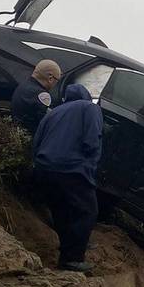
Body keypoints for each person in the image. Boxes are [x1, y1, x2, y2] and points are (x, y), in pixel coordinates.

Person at [32, 83, 102, 272]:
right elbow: (92, 140)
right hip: (71, 168)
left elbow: (37, 141)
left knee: (62, 210)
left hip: (44, 167)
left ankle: (69, 247)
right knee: (87, 211)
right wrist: (90, 166)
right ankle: (72, 258)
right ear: (86, 96)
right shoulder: (90, 108)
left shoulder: (53, 112)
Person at [11, 59, 61, 134]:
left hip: (17, 131)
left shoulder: (23, 85)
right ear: (50, 78)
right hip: (30, 138)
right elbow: (48, 122)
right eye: (57, 80)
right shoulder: (42, 95)